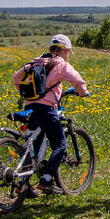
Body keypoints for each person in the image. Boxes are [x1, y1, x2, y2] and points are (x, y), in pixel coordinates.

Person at [12, 34, 89, 195]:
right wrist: (83, 93)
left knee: (35, 145)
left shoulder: (36, 61)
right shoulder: (61, 64)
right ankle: (46, 179)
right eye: (69, 52)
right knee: (60, 144)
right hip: (46, 108)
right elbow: (78, 80)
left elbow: (16, 78)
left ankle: (23, 185)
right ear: (66, 50)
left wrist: (27, 95)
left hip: (30, 106)